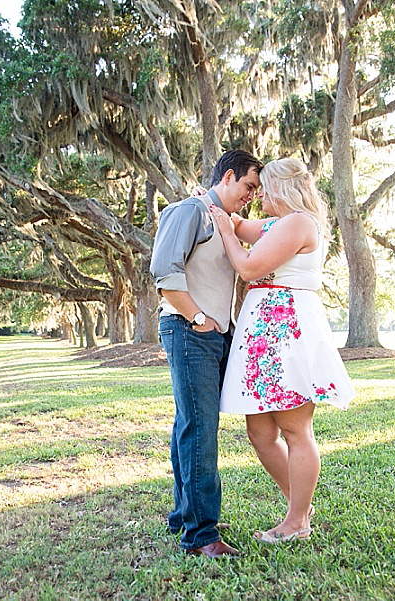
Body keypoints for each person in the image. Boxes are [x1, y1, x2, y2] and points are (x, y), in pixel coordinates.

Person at [207, 157, 355, 544]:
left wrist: (226, 234)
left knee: (294, 428)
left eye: (262, 188)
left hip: (285, 332)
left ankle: (296, 522)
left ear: (281, 188)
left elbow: (249, 267)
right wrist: (214, 207)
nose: (257, 195)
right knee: (259, 432)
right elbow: (241, 225)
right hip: (262, 333)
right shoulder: (277, 225)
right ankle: (299, 505)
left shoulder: (300, 223)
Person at [150, 149, 263, 559]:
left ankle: (186, 515)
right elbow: (164, 271)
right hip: (188, 329)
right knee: (200, 429)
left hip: (213, 330)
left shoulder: (223, 220)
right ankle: (201, 535)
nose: (251, 195)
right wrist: (198, 317)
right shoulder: (189, 211)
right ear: (228, 176)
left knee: (190, 423)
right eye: (249, 186)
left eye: (257, 190)